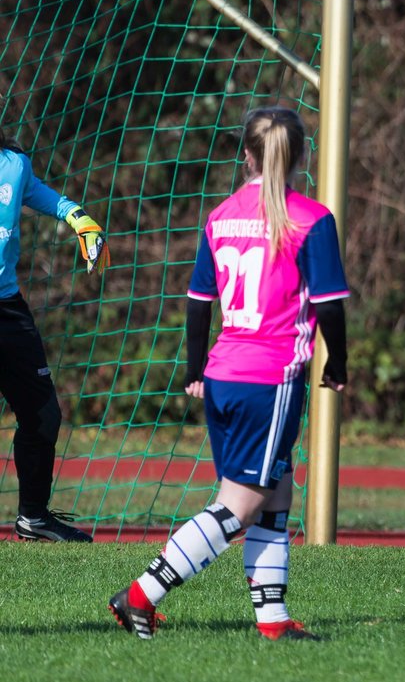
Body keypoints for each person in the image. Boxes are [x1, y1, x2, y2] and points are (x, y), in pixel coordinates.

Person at [109, 107, 348, 639]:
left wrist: (195, 369)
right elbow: (329, 306)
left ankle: (273, 621)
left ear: (246, 156)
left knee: (276, 491)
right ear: (302, 157)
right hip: (270, 378)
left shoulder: (220, 216)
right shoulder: (310, 218)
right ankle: (139, 595)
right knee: (238, 507)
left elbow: (198, 303)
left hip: (224, 374)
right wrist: (340, 361)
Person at [0, 130, 107, 542]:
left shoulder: (15, 164)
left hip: (8, 309)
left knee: (44, 415)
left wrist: (80, 219)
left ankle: (33, 517)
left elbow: (47, 197)